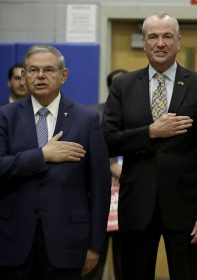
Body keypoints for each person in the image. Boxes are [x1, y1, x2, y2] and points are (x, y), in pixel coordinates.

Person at [102, 11, 197, 280]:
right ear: (144, 41)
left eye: (167, 36)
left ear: (178, 41)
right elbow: (106, 141)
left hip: (187, 209)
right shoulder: (123, 85)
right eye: (153, 36)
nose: (160, 43)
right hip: (136, 206)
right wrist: (150, 132)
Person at [0, 45, 111, 280]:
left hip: (69, 243)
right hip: (13, 241)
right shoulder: (5, 117)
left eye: (48, 69)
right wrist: (42, 156)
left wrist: (95, 245)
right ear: (24, 76)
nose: (40, 76)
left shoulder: (87, 119)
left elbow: (100, 187)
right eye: (33, 70)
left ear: (64, 75)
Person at [83, 68, 128, 280]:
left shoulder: (143, 115)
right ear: (110, 88)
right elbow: (83, 149)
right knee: (94, 261)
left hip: (130, 197)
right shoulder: (91, 114)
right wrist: (110, 165)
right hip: (99, 197)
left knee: (127, 263)